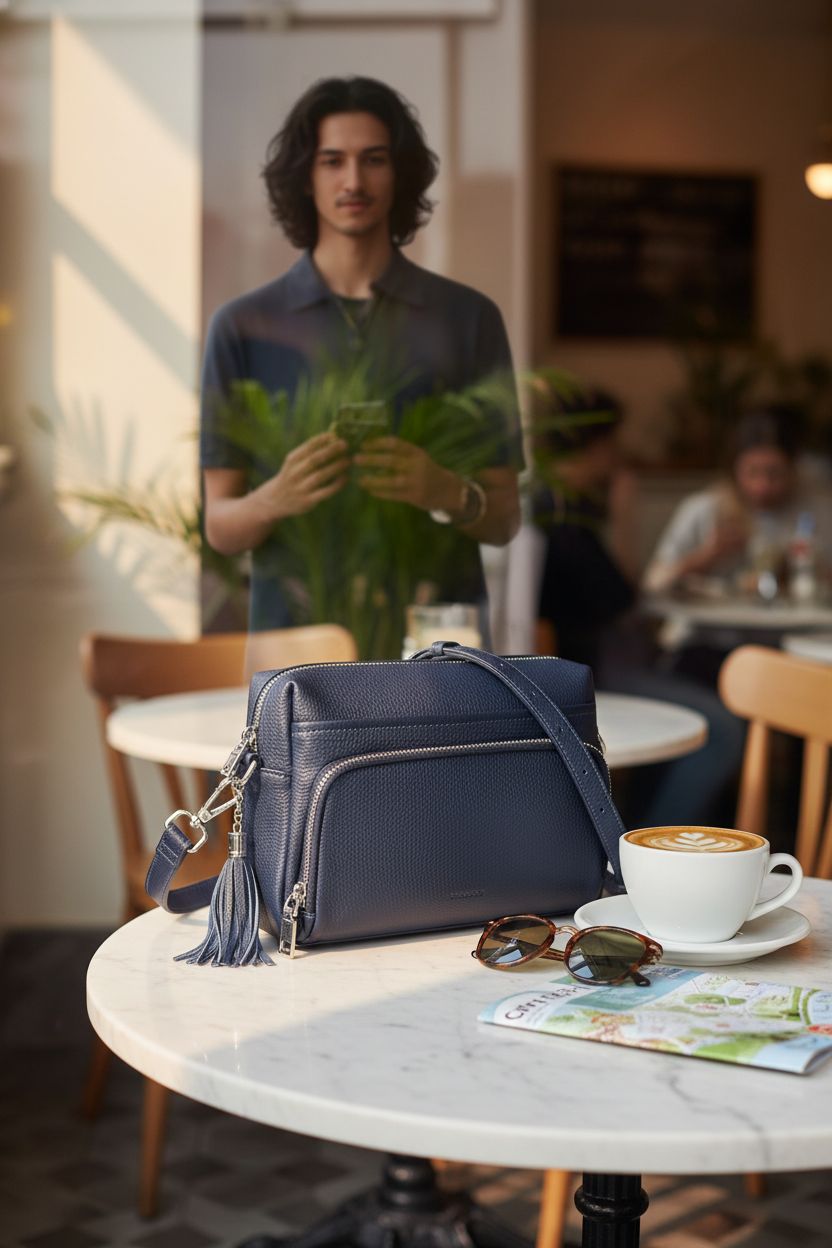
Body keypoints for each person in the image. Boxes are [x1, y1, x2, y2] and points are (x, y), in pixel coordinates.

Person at [200, 76, 521, 651]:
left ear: (400, 174)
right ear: (306, 176)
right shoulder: (245, 326)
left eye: (373, 160)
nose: (353, 181)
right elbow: (220, 527)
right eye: (332, 161)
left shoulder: (467, 319)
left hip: (437, 650)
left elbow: (503, 518)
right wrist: (277, 497)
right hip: (298, 650)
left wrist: (445, 490)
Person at [531, 378, 746, 829]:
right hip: (592, 671)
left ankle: (646, 826)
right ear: (595, 445)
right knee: (723, 728)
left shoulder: (558, 507)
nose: (618, 454)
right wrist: (626, 517)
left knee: (699, 681)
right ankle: (647, 843)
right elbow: (624, 602)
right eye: (613, 442)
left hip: (599, 664)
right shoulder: (563, 520)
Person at [644, 404, 832, 597]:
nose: (762, 486)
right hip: (710, 624)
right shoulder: (705, 508)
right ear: (734, 469)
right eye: (752, 472)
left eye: (775, 473)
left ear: (793, 469)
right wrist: (706, 556)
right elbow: (653, 582)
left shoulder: (819, 510)